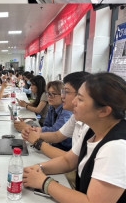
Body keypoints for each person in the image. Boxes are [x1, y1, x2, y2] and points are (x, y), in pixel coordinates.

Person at [23, 73, 126, 202]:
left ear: (104, 111)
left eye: (80, 99)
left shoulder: (116, 147)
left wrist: (44, 182)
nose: (73, 102)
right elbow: (68, 161)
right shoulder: (91, 130)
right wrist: (39, 168)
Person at [22, 71, 90, 158]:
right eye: (49, 94)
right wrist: (34, 134)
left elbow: (71, 159)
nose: (62, 96)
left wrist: (37, 140)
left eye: (66, 92)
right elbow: (57, 135)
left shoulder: (87, 124)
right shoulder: (75, 117)